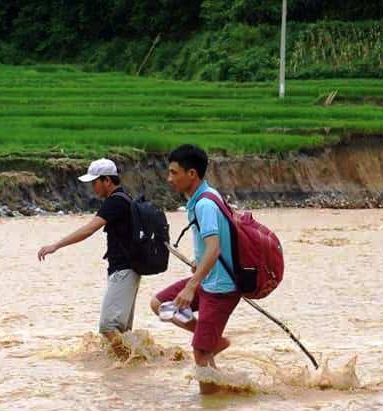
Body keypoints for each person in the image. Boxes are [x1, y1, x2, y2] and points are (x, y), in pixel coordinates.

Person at [151, 145, 241, 394]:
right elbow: (210, 249)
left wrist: (192, 285)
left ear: (192, 174)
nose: (169, 179)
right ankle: (214, 348)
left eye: (174, 173)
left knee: (200, 355)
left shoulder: (205, 205)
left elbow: (215, 249)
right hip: (209, 277)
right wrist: (198, 263)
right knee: (160, 304)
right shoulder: (204, 197)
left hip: (221, 287)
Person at [37, 158, 139, 355]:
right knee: (122, 331)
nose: (93, 187)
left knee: (108, 327)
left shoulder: (115, 201)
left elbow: (89, 229)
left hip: (123, 270)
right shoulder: (125, 197)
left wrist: (56, 245)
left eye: (95, 182)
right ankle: (130, 373)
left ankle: (132, 362)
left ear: (107, 181)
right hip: (128, 269)